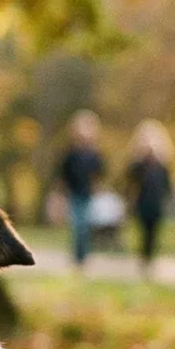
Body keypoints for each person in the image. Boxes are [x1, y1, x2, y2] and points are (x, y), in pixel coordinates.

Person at [56, 111, 105, 268]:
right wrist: (60, 194)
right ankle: (77, 257)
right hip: (74, 194)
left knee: (85, 226)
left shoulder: (95, 154)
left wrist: (97, 188)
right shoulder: (70, 153)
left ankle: (84, 256)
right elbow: (63, 175)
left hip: (88, 194)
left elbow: (99, 174)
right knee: (78, 225)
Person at [127, 121, 175, 272]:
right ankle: (143, 258)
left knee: (154, 231)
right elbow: (130, 178)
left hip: (157, 202)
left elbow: (168, 184)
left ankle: (150, 258)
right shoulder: (139, 164)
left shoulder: (162, 165)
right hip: (142, 202)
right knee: (143, 230)